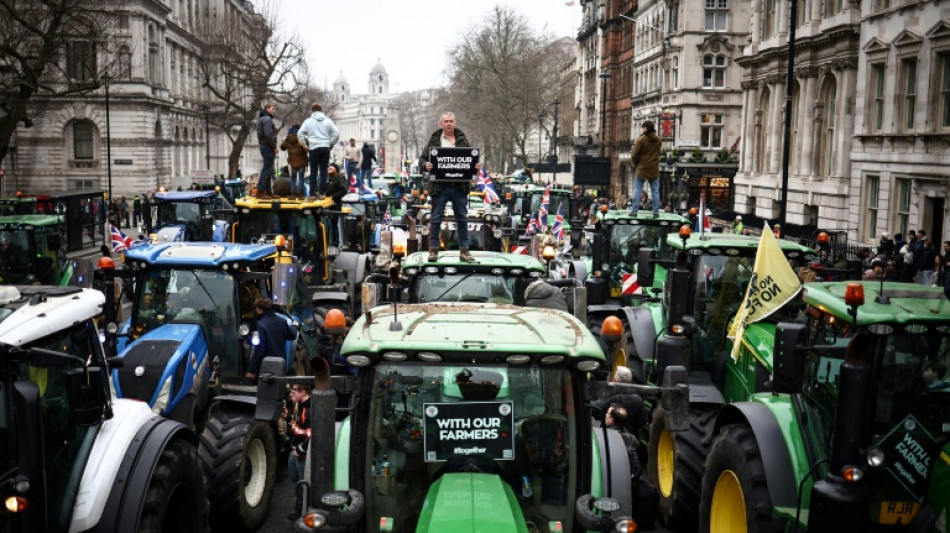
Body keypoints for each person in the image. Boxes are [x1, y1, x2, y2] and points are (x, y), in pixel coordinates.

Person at [418, 112, 479, 263]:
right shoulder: (434, 141)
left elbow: (469, 159)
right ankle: (433, 250)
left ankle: (464, 251)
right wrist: (426, 165)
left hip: (459, 186)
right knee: (436, 218)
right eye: (446, 121)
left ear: (455, 123)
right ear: (441, 124)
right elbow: (422, 159)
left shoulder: (463, 140)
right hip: (440, 187)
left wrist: (475, 166)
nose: (449, 124)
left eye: (451, 121)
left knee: (462, 219)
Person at [246, 298, 297, 380]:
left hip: (266, 367)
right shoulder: (282, 321)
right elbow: (292, 336)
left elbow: (260, 350)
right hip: (280, 364)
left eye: (256, 309)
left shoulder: (261, 324)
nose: (256, 311)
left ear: (261, 310)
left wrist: (251, 370)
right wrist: (295, 326)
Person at [298, 103, 340, 199]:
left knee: (313, 172)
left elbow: (300, 134)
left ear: (312, 111)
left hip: (313, 148)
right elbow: (336, 133)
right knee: (323, 172)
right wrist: (330, 144)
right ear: (322, 110)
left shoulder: (308, 121)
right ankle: (321, 192)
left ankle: (312, 193)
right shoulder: (328, 121)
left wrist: (305, 145)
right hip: (325, 147)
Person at [284, 383, 311, 519]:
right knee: (296, 481)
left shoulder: (310, 410)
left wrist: (301, 450)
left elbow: (313, 434)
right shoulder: (299, 406)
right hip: (294, 452)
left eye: (293, 391)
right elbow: (298, 427)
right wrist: (288, 418)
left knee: (303, 484)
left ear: (303, 391)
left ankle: (302, 513)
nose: (290, 394)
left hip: (302, 455)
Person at [630, 120, 662, 217]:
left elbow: (634, 155)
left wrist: (636, 164)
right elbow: (658, 152)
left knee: (637, 190)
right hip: (653, 168)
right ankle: (656, 211)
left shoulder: (641, 140)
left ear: (646, 128)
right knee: (655, 191)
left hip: (642, 168)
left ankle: (634, 210)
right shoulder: (658, 140)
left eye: (643, 127)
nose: (642, 129)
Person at [256, 103, 278, 198]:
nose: (274, 110)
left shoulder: (261, 119)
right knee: (267, 169)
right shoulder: (267, 119)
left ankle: (268, 192)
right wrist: (274, 147)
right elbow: (268, 136)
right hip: (268, 146)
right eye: (273, 108)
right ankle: (260, 191)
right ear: (267, 109)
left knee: (268, 169)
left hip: (263, 145)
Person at [281, 124, 309, 198]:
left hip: (292, 161)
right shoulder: (302, 137)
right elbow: (308, 146)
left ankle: (293, 194)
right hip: (302, 160)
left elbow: (282, 148)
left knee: (293, 178)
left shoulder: (287, 138)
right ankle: (301, 194)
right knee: (301, 178)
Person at [324, 164, 347, 247]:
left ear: (336, 170)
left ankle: (335, 243)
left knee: (333, 224)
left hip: (334, 205)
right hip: (324, 206)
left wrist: (332, 197)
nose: (329, 167)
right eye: (328, 166)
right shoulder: (324, 178)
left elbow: (344, 190)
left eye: (332, 166)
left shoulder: (339, 178)